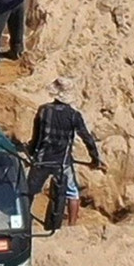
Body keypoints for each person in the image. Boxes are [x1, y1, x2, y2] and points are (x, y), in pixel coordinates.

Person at [27, 77, 102, 228]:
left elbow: (36, 136)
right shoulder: (74, 115)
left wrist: (31, 152)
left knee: (28, 191)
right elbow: (87, 138)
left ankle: (24, 220)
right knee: (72, 193)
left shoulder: (44, 110)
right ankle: (72, 225)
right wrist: (95, 159)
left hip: (42, 158)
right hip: (62, 161)